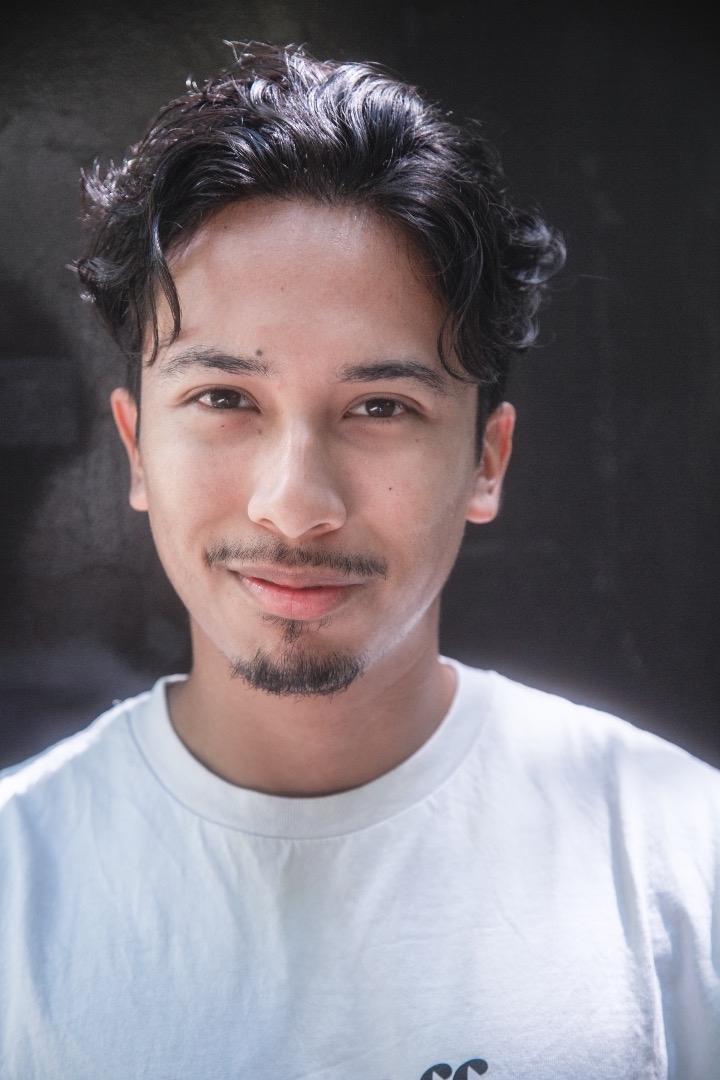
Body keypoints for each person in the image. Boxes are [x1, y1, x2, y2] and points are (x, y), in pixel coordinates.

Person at [0, 42, 718, 1080]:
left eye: (380, 406)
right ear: (137, 447)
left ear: (486, 460)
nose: (296, 505)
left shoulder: (679, 865)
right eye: (224, 399)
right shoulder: (18, 883)